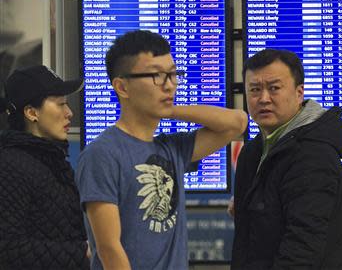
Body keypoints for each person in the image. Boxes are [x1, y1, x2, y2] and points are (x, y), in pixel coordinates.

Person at [75, 30, 248, 270]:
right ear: (122, 87)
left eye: (173, 74)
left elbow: (237, 123)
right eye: (157, 75)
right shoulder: (102, 154)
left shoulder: (171, 148)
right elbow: (109, 248)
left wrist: (171, 110)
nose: (169, 85)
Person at [231, 49, 342, 269]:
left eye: (274, 88)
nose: (263, 99)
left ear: (299, 93)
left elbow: (303, 247)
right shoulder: (253, 152)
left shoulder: (313, 154)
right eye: (254, 89)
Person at [0, 65, 90, 269]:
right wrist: (84, 253)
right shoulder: (10, 166)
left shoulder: (51, 160)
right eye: (60, 105)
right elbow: (7, 248)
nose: (70, 113)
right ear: (32, 113)